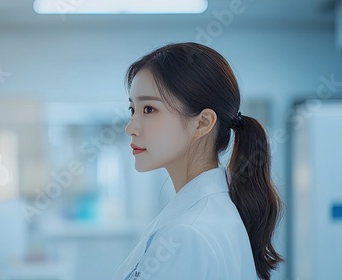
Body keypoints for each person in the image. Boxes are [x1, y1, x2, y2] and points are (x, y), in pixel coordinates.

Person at [113, 42, 283, 280]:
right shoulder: (210, 213)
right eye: (133, 109)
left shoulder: (187, 234)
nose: (131, 128)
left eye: (149, 109)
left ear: (203, 123)